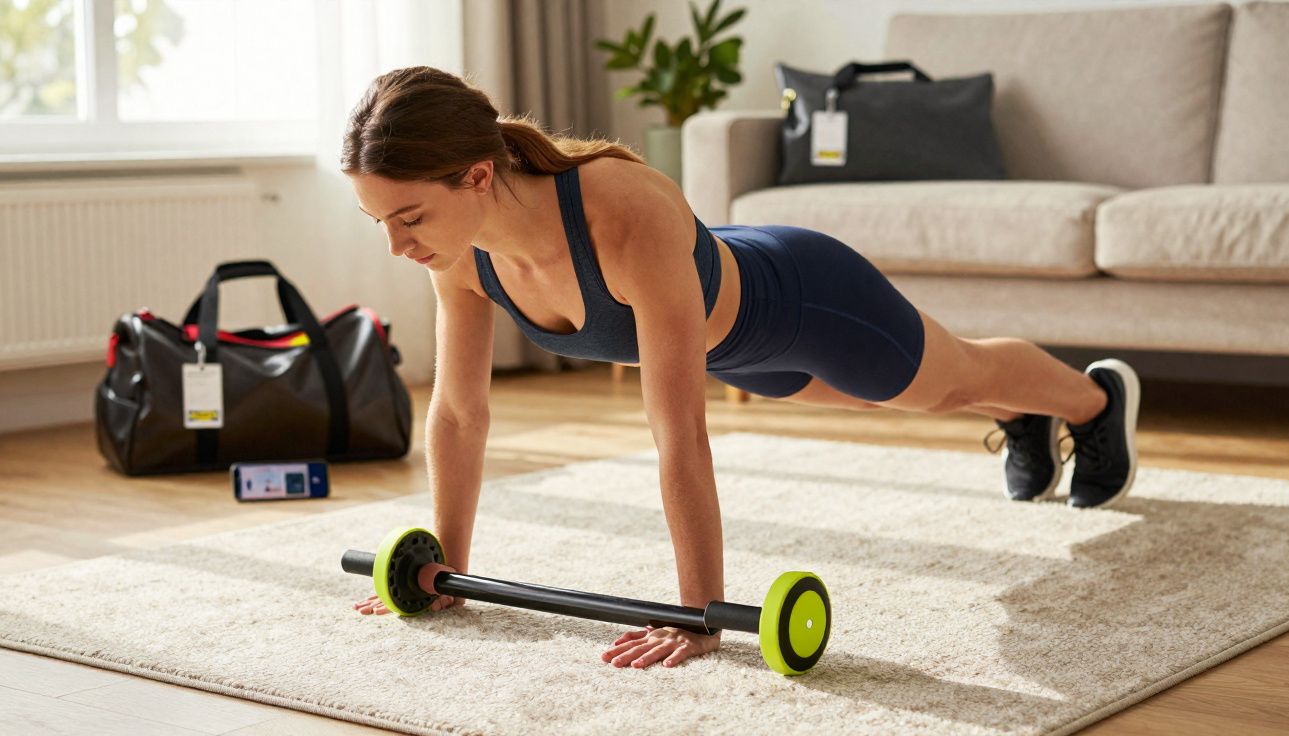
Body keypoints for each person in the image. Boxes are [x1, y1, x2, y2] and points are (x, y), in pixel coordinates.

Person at [341, 66, 1141, 669]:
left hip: (807, 301)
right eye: (379, 222)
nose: (397, 246)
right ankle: (1020, 414)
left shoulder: (621, 209)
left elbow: (679, 429)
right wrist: (443, 570)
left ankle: (1094, 400)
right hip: (739, 351)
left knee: (945, 382)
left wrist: (699, 614)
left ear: (477, 175)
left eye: (408, 217)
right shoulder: (461, 256)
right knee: (882, 402)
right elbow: (457, 414)